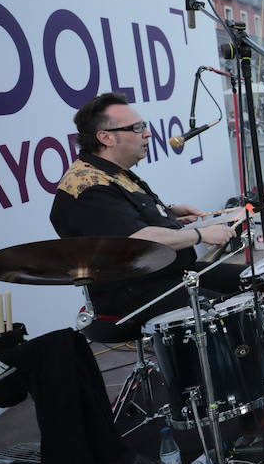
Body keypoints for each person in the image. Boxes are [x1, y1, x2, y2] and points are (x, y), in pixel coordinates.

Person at [50, 93, 239, 334]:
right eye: (137, 128)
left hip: (168, 275)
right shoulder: (87, 186)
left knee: (251, 278)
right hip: (134, 291)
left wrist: (169, 214)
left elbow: (120, 219)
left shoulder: (110, 172)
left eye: (144, 127)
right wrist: (201, 235)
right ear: (105, 137)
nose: (147, 134)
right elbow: (138, 239)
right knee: (225, 315)